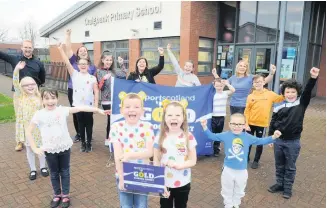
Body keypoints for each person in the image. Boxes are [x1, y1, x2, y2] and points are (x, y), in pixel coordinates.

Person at [26, 89, 108, 208]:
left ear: (57, 99)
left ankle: (65, 195)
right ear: (42, 100)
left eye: (53, 98)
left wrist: (98, 109)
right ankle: (56, 194)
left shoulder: (62, 110)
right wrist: (34, 148)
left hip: (64, 147)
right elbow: (28, 131)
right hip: (49, 150)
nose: (50, 101)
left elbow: (80, 108)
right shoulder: (39, 114)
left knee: (65, 172)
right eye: (47, 98)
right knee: (54, 173)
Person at [201, 113, 281, 208]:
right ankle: (228, 204)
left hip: (242, 171)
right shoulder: (226, 135)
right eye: (234, 124)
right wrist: (204, 126)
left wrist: (274, 137)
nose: (236, 126)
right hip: (228, 170)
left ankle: (236, 203)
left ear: (244, 125)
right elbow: (212, 136)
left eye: (240, 124)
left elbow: (261, 141)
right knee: (227, 188)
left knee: (239, 189)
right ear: (229, 124)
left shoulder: (247, 137)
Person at [267, 67, 320, 199]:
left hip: (293, 142)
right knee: (279, 164)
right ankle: (279, 184)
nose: (290, 94)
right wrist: (271, 138)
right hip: (278, 141)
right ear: (283, 93)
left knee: (290, 166)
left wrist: (313, 78)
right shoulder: (278, 105)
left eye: (293, 91)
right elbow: (273, 122)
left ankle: (287, 187)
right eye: (287, 91)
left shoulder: (301, 103)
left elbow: (308, 91)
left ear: (297, 93)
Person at [109, 91, 154, 208]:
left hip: (143, 174)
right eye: (127, 107)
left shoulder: (147, 127)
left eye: (136, 107)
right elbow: (117, 155)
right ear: (121, 110)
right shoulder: (116, 127)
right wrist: (122, 178)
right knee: (126, 206)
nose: (132, 110)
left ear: (142, 111)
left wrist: (129, 155)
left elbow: (150, 152)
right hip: (124, 173)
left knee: (142, 205)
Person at [153, 99, 197, 208]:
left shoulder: (189, 136)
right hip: (165, 183)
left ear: (183, 118)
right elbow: (156, 160)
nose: (174, 118)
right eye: (170, 115)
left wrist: (181, 166)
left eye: (178, 115)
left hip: (183, 183)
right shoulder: (159, 136)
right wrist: (159, 182)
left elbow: (193, 160)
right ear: (164, 117)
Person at [58, 43, 99, 153]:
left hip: (89, 106)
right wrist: (61, 49)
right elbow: (67, 62)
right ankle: (83, 143)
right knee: (81, 125)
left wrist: (95, 105)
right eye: (81, 64)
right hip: (78, 106)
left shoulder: (92, 78)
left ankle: (89, 143)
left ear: (88, 65)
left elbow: (96, 91)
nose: (83, 65)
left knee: (89, 124)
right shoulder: (74, 74)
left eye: (85, 64)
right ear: (78, 65)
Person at [12, 61, 49, 180]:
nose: (30, 87)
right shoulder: (21, 97)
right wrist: (17, 70)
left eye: (32, 84)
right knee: (30, 149)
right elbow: (15, 82)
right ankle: (33, 169)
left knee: (41, 148)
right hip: (27, 129)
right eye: (27, 85)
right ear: (22, 87)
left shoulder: (39, 97)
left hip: (40, 129)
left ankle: (43, 167)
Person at [244, 74, 284, 169]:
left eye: (260, 81)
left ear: (264, 82)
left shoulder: (270, 94)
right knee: (248, 141)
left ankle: (256, 160)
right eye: (255, 82)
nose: (257, 83)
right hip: (250, 124)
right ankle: (246, 158)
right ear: (253, 84)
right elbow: (247, 111)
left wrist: (283, 89)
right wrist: (246, 124)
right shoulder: (250, 96)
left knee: (260, 142)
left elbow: (280, 98)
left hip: (262, 124)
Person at [65, 29, 97, 142]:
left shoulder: (92, 66)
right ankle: (79, 133)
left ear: (87, 53)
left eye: (85, 50)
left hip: (87, 92)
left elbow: (93, 81)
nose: (83, 52)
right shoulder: (73, 61)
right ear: (78, 53)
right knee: (76, 112)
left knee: (87, 112)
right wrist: (68, 36)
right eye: (81, 51)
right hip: (73, 90)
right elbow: (68, 49)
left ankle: (88, 133)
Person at [212, 62, 276, 114]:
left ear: (246, 68)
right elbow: (222, 82)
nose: (242, 67)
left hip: (245, 105)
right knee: (235, 124)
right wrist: (215, 74)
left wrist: (271, 73)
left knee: (242, 125)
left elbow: (265, 80)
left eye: (244, 66)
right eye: (240, 66)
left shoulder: (250, 77)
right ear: (237, 67)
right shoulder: (233, 77)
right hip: (233, 105)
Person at [95, 50, 128, 145]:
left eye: (110, 60)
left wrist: (121, 63)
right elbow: (99, 87)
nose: (109, 62)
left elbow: (124, 74)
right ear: (102, 60)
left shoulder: (114, 71)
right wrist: (103, 79)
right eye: (107, 60)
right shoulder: (99, 71)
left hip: (115, 99)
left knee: (114, 120)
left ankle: (113, 138)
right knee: (110, 119)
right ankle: (107, 139)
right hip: (106, 101)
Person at [210, 76, 235, 156]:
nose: (219, 87)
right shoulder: (212, 94)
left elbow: (233, 90)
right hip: (212, 116)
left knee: (219, 133)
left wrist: (227, 83)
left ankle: (216, 149)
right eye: (217, 86)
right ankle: (210, 148)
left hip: (221, 116)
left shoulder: (225, 93)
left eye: (220, 86)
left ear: (223, 86)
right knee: (212, 133)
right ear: (214, 86)